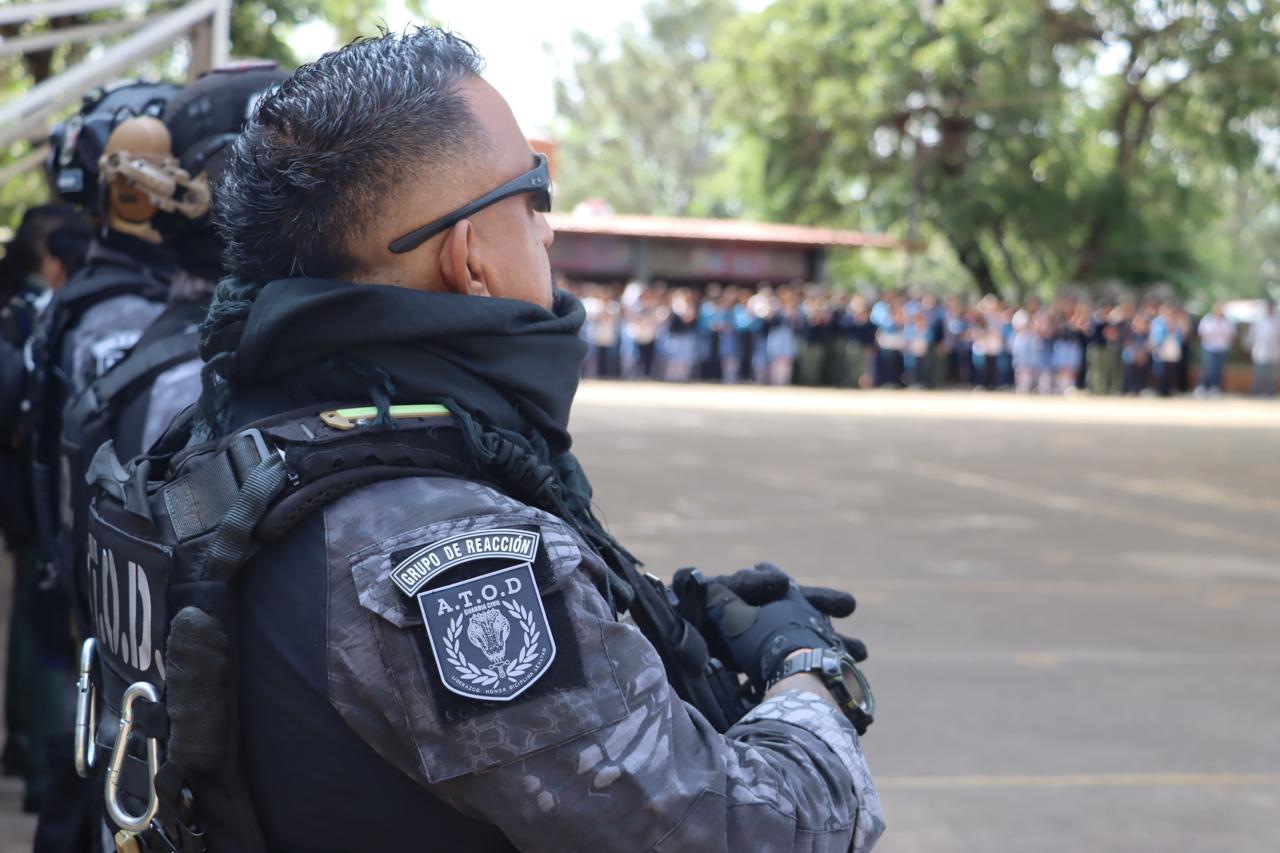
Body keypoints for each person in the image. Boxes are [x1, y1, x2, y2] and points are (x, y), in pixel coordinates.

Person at [80, 29, 883, 853]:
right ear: (468, 257)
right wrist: (807, 672)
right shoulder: (450, 553)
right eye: (534, 193)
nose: (548, 231)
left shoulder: (230, 436)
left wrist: (662, 635)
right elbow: (748, 832)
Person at [1196, 303, 1235, 396]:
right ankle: (1203, 386)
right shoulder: (1207, 319)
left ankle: (1215, 387)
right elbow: (1201, 333)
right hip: (1208, 347)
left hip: (1221, 348)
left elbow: (1231, 334)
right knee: (1207, 368)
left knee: (1218, 369)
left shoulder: (1227, 322)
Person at [1248, 299, 1280, 397]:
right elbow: (1252, 334)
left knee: (1271, 373)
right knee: (1259, 372)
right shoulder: (1259, 320)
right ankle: (1256, 391)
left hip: (1273, 350)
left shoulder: (1277, 320)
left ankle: (1270, 391)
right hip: (1260, 349)